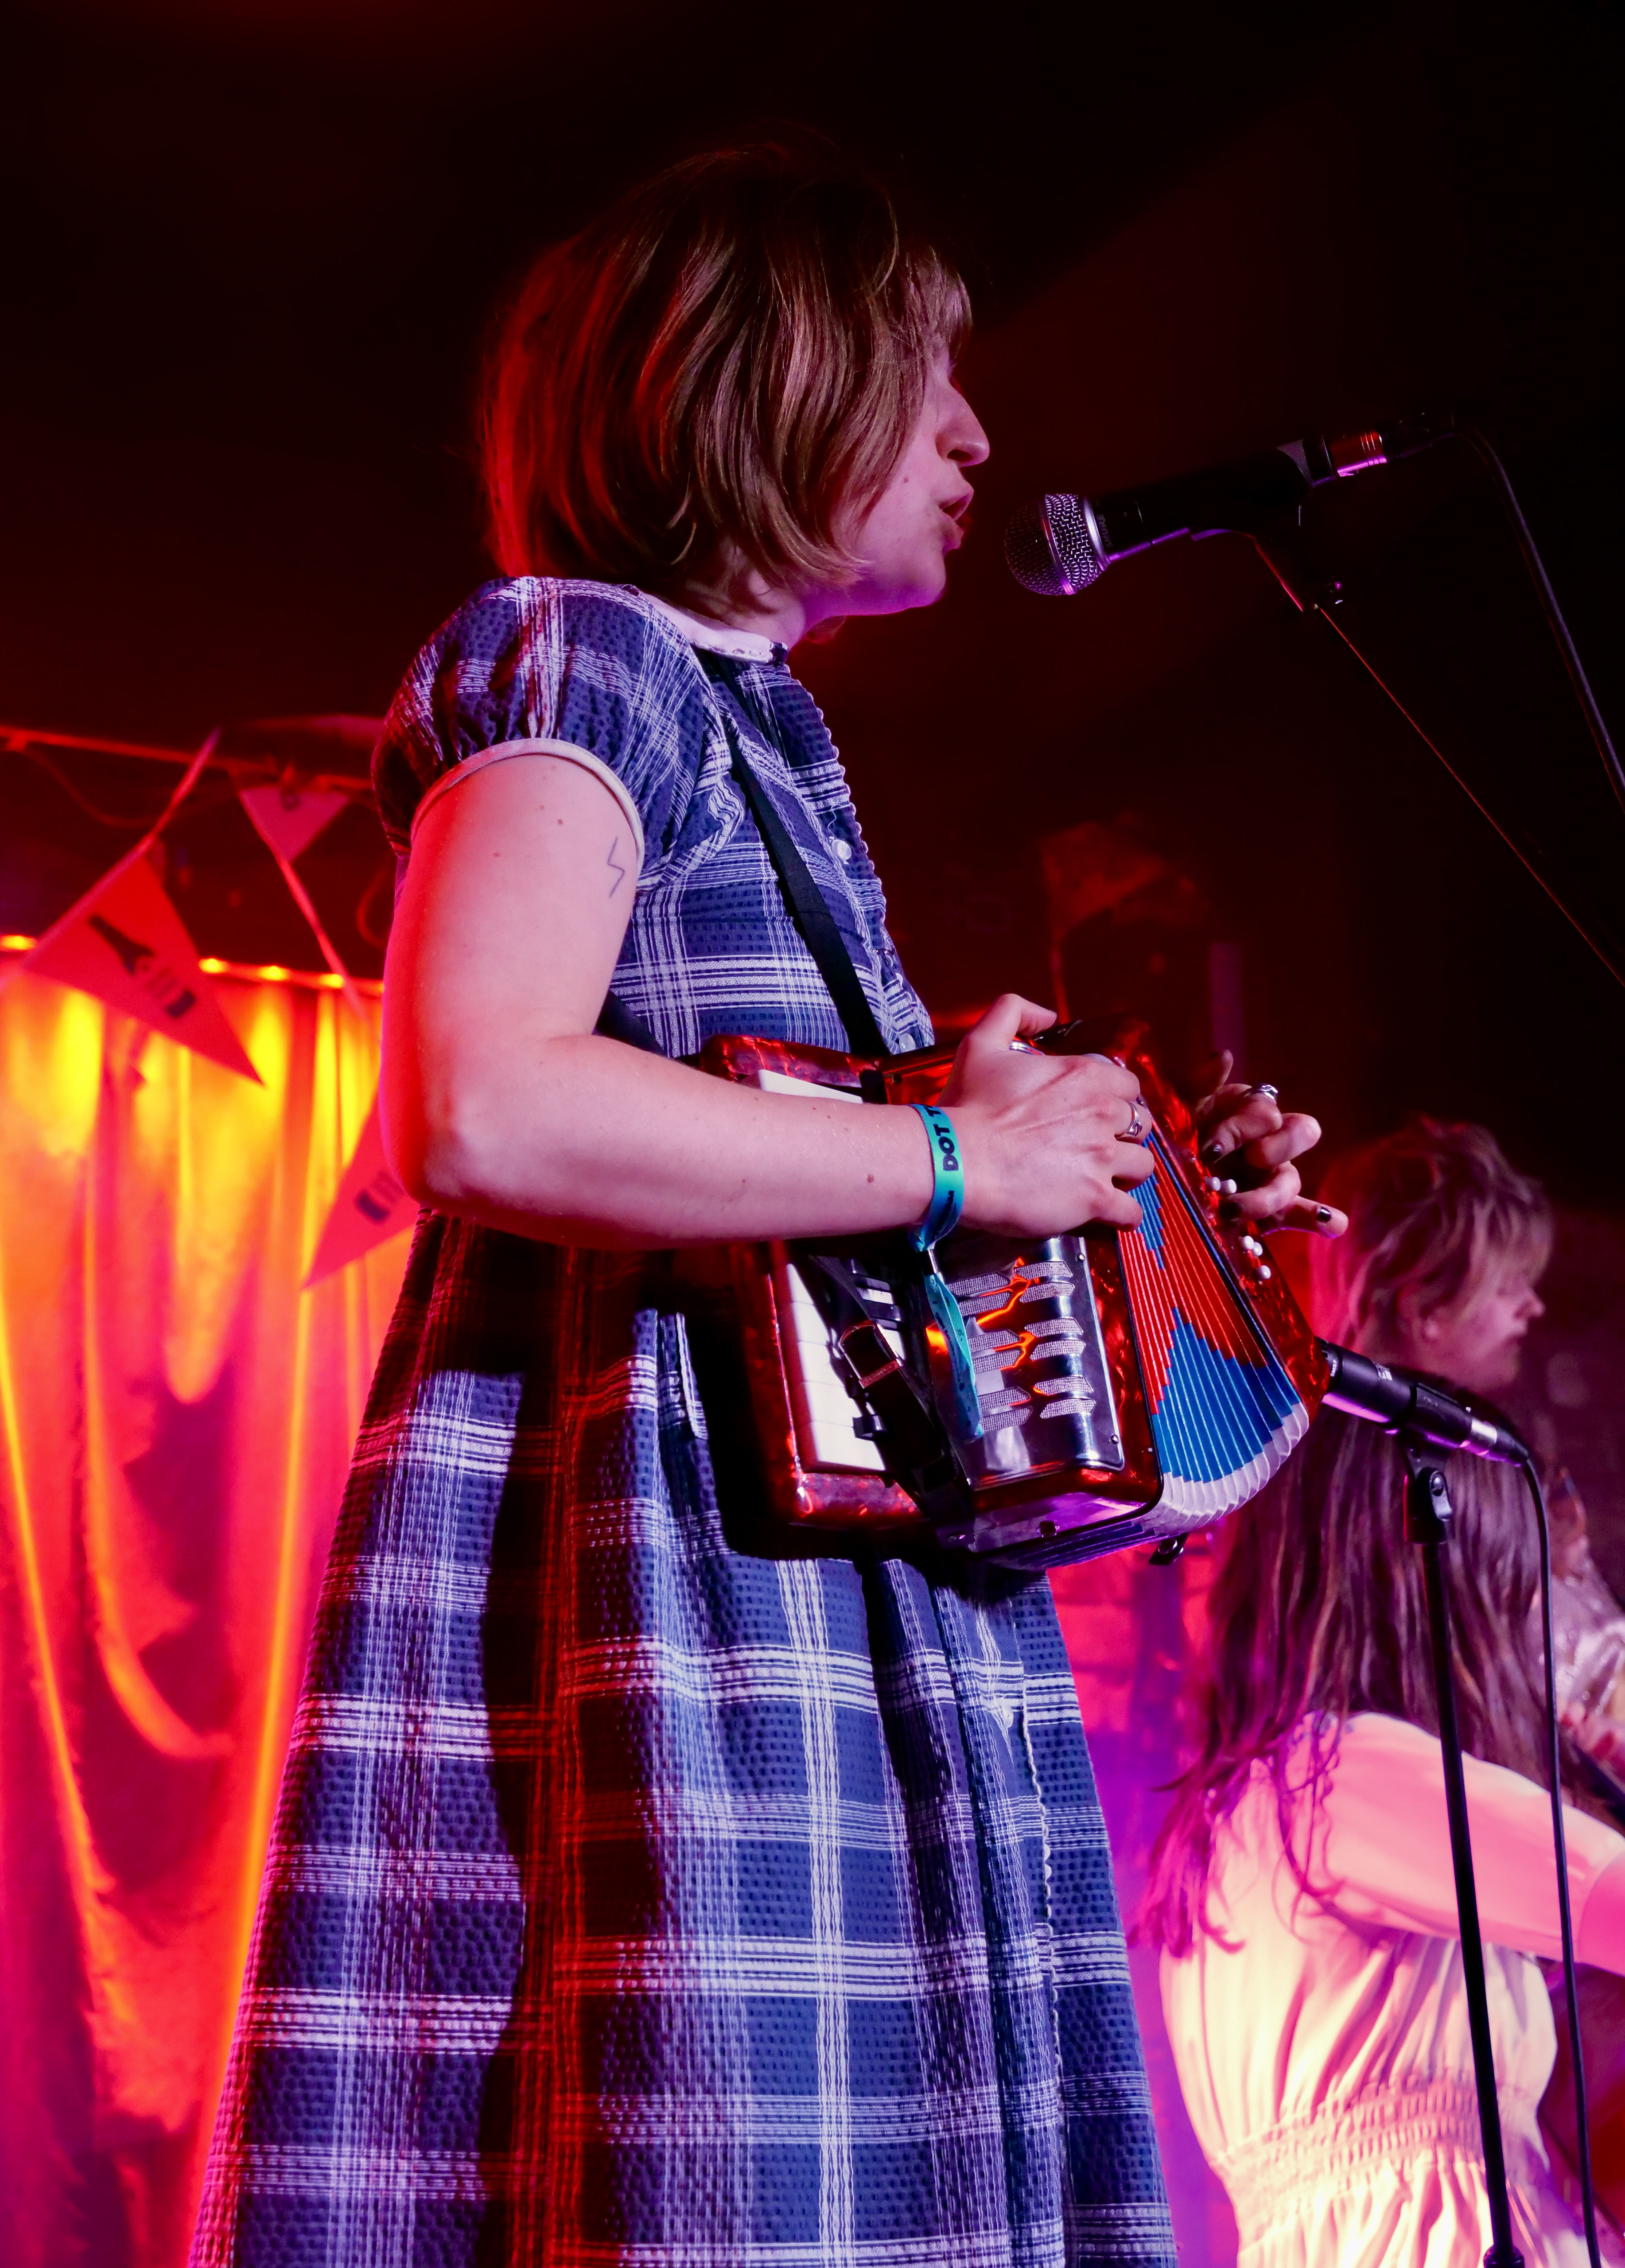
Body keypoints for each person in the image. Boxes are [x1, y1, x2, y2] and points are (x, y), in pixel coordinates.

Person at [192, 143, 1333, 2268]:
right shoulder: (583, 654)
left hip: (820, 1617)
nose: (977, 436)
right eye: (924, 375)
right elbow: (478, 1098)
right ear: (766, 376)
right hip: (677, 1608)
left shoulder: (763, 730)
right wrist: (960, 1157)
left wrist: (1137, 1192)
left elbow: (807, 1214)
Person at [1147, 1116, 1625, 2266]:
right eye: (1510, 1591)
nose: (1525, 1630)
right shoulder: (1353, 1778)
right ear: (1433, 1588)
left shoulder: (1267, 1797)